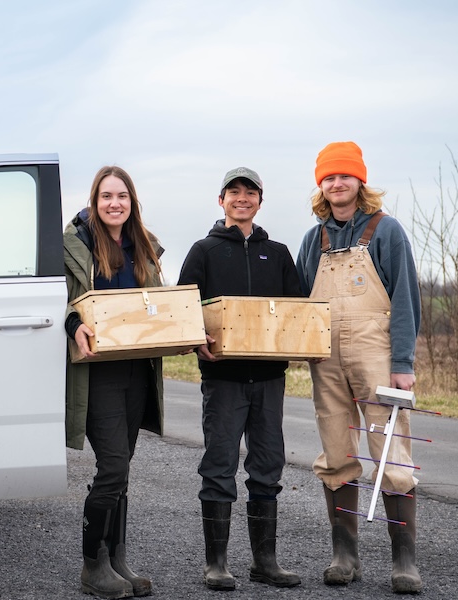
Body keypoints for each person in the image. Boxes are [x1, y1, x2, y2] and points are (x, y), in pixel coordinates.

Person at [296, 141, 422, 594]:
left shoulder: (386, 231)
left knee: (390, 453)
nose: (336, 183)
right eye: (329, 177)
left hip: (378, 357)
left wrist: (402, 363)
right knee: (335, 453)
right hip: (325, 358)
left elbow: (406, 299)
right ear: (321, 186)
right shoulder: (314, 240)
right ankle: (344, 554)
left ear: (359, 181)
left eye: (344, 176)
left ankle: (404, 561)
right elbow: (298, 306)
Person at [177, 167, 302, 591]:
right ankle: (217, 564)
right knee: (219, 465)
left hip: (269, 379)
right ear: (221, 200)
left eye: (250, 193)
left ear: (260, 202)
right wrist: (197, 343)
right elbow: (184, 312)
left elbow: (299, 313)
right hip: (223, 379)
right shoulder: (204, 251)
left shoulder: (279, 253)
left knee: (267, 466)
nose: (242, 198)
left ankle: (264, 562)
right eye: (234, 192)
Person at [64, 165, 165, 599]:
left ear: (132, 201)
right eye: (106, 196)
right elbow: (63, 300)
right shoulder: (76, 244)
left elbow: (159, 303)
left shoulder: (144, 245)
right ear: (94, 200)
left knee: (122, 469)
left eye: (121, 196)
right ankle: (92, 566)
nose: (114, 203)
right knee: (113, 467)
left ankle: (116, 557)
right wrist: (73, 327)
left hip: (136, 369)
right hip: (98, 372)